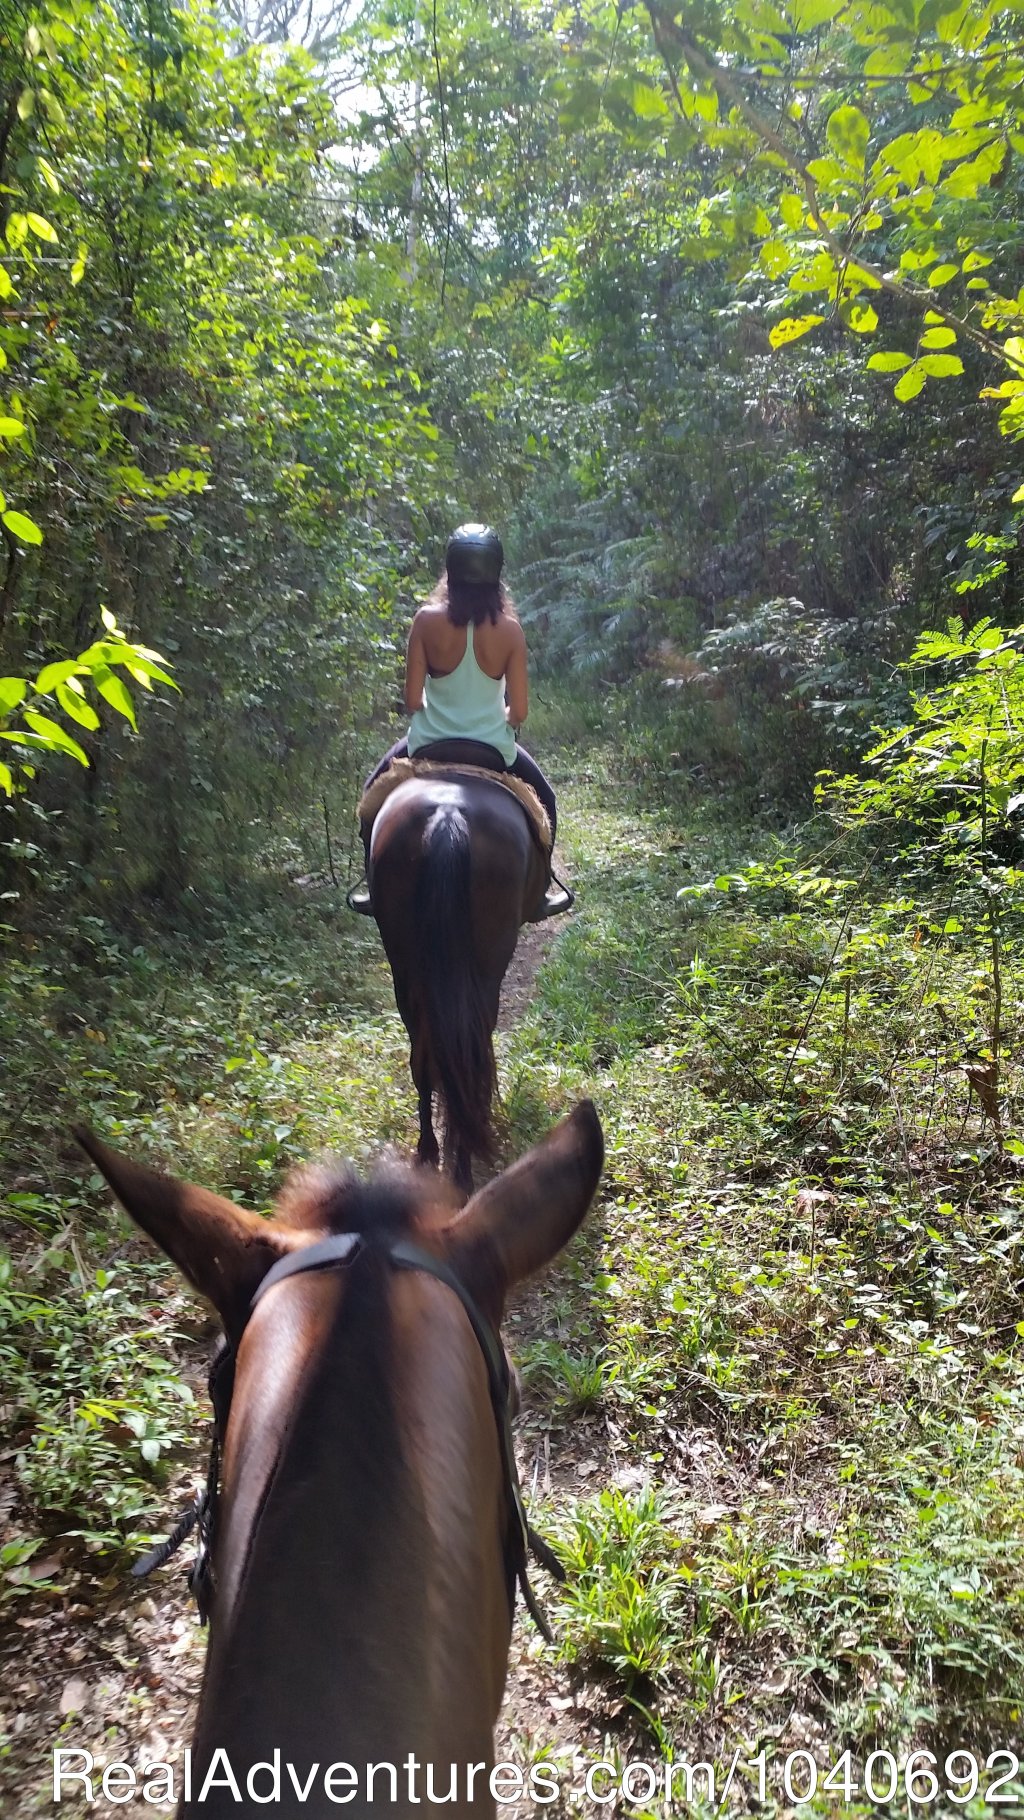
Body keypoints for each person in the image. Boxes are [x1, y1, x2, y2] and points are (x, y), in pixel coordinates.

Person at [351, 523, 571, 918]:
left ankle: (371, 885)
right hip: (493, 749)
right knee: (547, 802)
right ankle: (541, 892)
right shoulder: (510, 632)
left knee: (371, 801)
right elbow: (519, 712)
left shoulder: (425, 621)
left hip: (428, 745)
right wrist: (496, 716)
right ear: (497, 576)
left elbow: (412, 700)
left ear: (449, 571)